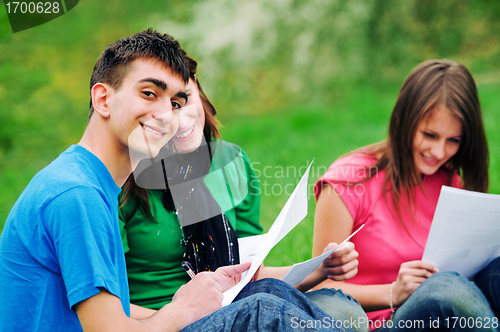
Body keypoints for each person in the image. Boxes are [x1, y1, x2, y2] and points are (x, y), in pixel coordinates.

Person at [0, 29, 350, 332]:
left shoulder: (93, 183)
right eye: (149, 93)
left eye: (177, 100)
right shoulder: (76, 193)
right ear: (103, 98)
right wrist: (182, 310)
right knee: (263, 313)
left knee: (273, 297)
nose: (166, 114)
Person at [119, 54, 367, 330]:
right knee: (264, 308)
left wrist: (321, 270)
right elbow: (105, 307)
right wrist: (179, 313)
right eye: (165, 110)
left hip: (232, 303)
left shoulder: (231, 163)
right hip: (163, 322)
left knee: (341, 306)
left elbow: (249, 275)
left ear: (197, 88)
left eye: (183, 99)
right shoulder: (124, 180)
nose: (180, 119)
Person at [312, 59, 500, 332]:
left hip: (445, 320)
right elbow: (317, 287)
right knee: (446, 289)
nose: (439, 151)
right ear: (403, 120)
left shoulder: (450, 180)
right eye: (430, 135)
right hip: (379, 324)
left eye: (453, 141)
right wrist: (393, 292)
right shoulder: (348, 182)